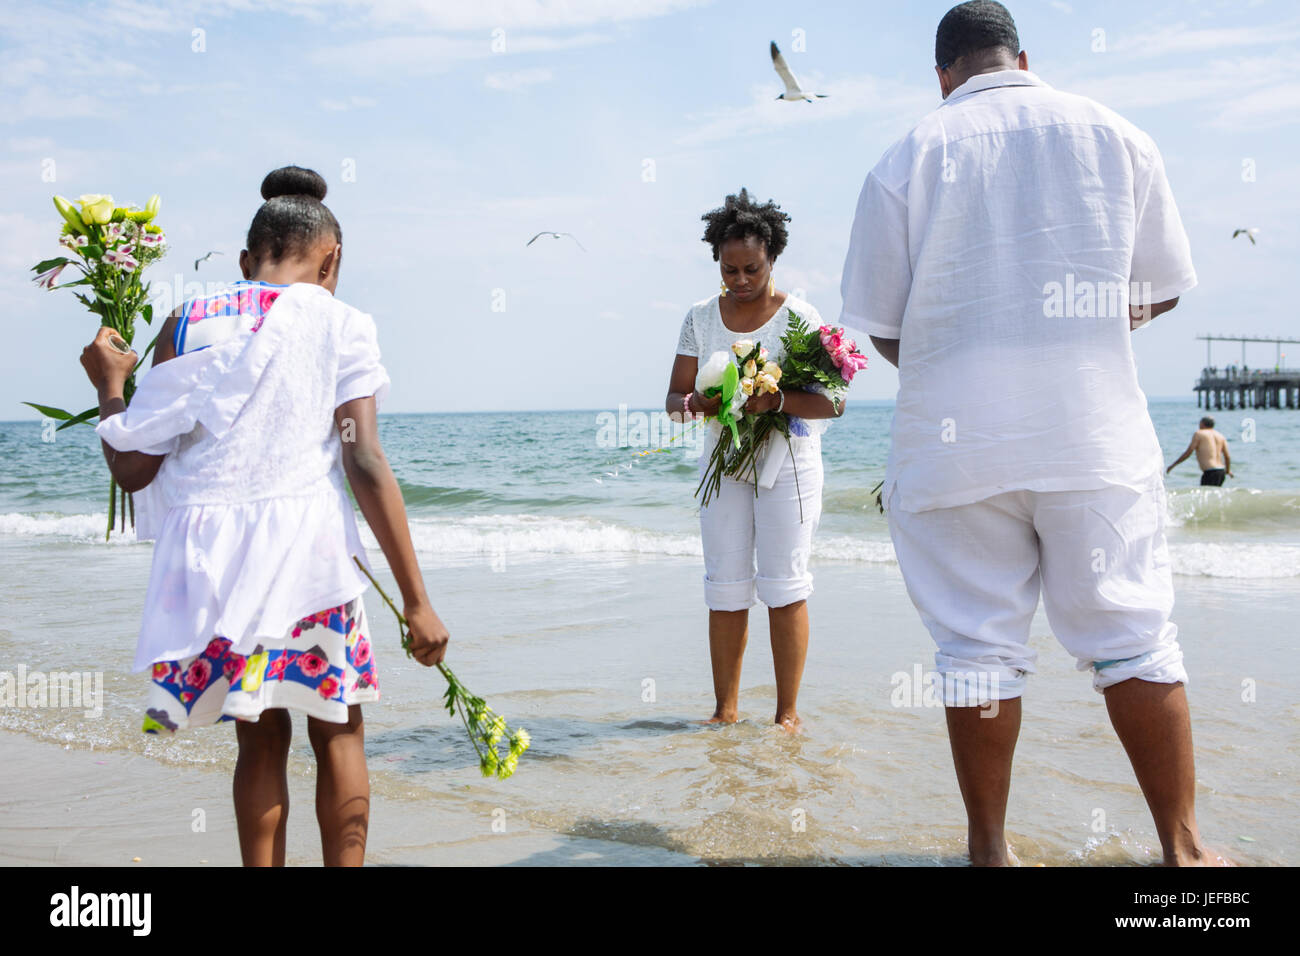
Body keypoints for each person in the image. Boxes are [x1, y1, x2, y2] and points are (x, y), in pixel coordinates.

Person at [840, 1, 1226, 864]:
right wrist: (1072, 337)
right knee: (1132, 636)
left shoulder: (905, 156)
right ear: (1024, 58)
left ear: (943, 74)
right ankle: (1186, 851)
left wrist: (961, 357)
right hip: (1091, 427)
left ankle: (989, 850)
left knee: (976, 648)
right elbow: (1162, 286)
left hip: (954, 442)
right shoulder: (1118, 135)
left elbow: (880, 322)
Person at [80, 166, 449, 866]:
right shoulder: (342, 323)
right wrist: (417, 601)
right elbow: (363, 461)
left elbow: (133, 469)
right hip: (307, 557)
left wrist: (109, 387)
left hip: (212, 563)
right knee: (339, 728)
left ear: (246, 262)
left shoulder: (186, 320)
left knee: (259, 735)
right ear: (333, 258)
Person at [665, 188, 844, 732]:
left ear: (773, 258)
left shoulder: (801, 317)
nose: (740, 281)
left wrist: (776, 399)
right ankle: (724, 712)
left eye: (752, 269)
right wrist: (695, 403)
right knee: (724, 585)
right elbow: (673, 400)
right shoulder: (700, 317)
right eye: (729, 270)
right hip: (724, 463)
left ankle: (787, 715)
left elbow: (833, 401)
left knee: (785, 586)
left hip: (787, 466)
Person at [1167, 417, 1232, 485]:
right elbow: (1227, 456)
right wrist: (1228, 470)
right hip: (1221, 471)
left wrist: (1173, 465)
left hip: (1210, 472)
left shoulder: (1199, 434)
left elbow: (1188, 452)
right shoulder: (1220, 436)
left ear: (1202, 424)